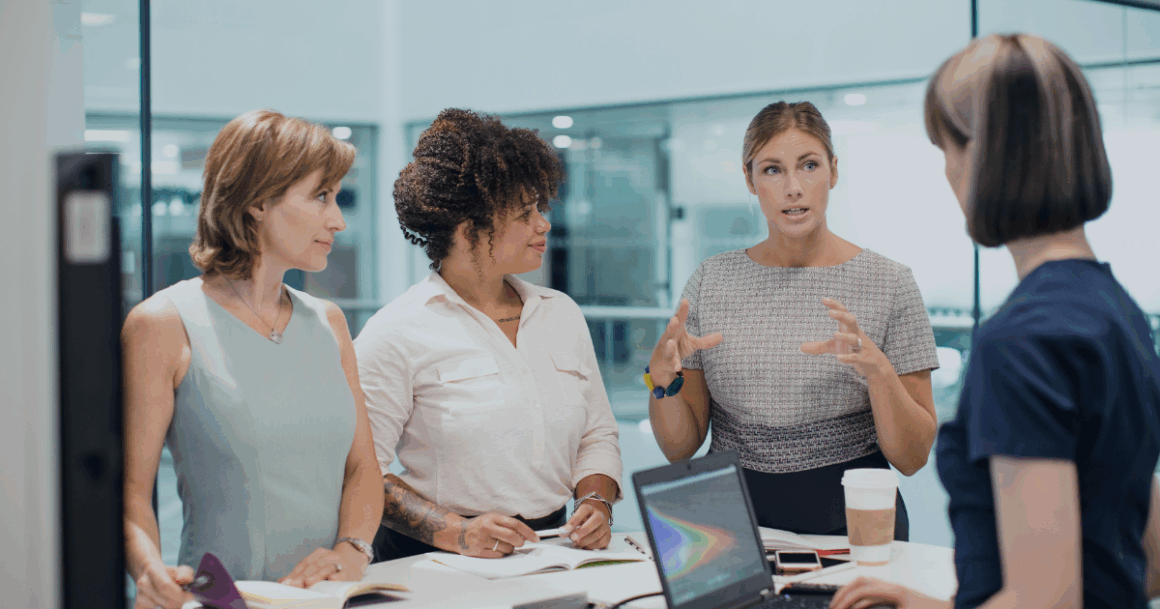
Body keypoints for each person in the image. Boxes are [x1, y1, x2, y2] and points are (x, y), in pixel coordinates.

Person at [831, 34, 1160, 609]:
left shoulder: (1020, 341)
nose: (948, 173)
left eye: (949, 151)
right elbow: (1144, 558)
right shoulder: (1117, 313)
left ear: (990, 156)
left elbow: (1047, 602)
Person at [122, 110, 384, 609]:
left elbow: (363, 469)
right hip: (223, 600)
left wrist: (352, 550)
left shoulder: (329, 322)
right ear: (260, 200)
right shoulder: (162, 323)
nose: (338, 219)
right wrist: (150, 570)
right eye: (321, 196)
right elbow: (131, 492)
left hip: (334, 599)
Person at [647, 100, 940, 540]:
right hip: (731, 516)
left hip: (852, 511)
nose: (793, 188)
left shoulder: (890, 282)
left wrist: (880, 375)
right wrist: (659, 380)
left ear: (833, 172)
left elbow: (913, 458)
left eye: (808, 166)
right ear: (749, 179)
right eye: (772, 170)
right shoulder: (711, 280)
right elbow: (680, 448)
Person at [355, 108, 622, 561]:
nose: (544, 224)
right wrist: (458, 532)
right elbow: (362, 472)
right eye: (524, 213)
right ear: (466, 232)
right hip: (434, 560)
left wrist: (596, 503)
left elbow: (597, 434)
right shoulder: (396, 331)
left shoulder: (561, 315)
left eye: (540, 207)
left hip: (552, 551)